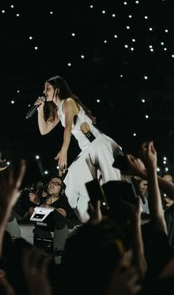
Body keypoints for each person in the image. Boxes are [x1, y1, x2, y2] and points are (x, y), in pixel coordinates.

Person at [34, 75, 122, 223]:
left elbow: (68, 127)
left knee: (103, 186)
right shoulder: (57, 110)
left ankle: (108, 220)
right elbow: (44, 130)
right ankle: (93, 221)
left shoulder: (68, 102)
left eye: (47, 88)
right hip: (89, 150)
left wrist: (64, 151)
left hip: (97, 145)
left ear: (57, 89)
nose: (44, 91)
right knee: (73, 188)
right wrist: (40, 110)